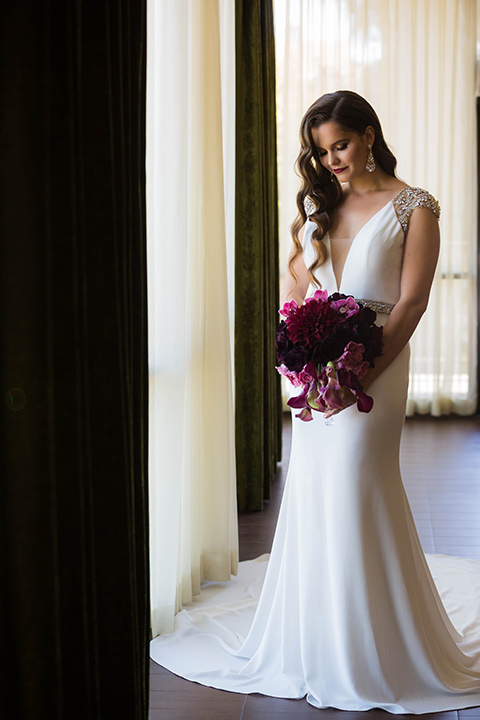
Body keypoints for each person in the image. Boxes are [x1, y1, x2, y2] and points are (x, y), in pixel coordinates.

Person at [150, 90, 480, 713]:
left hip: (377, 363)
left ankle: (375, 645)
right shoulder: (318, 205)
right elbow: (297, 281)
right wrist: (301, 351)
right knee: (318, 487)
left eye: (342, 145)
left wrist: (361, 373)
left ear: (369, 135)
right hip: (318, 367)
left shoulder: (416, 207)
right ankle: (320, 631)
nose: (332, 160)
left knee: (361, 482)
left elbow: (410, 304)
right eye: (322, 151)